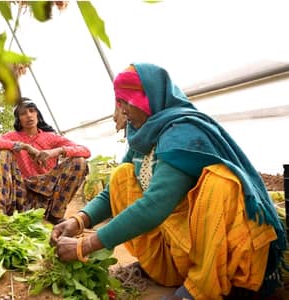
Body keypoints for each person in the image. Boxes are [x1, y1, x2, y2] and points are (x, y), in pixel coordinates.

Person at [50, 63, 287, 300]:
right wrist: (78, 220)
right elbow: (112, 192)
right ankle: (167, 271)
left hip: (219, 254)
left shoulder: (183, 132)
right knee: (123, 175)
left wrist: (86, 245)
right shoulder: (144, 135)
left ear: (146, 99)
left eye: (125, 101)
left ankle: (203, 288)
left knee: (220, 182)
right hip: (184, 245)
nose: (121, 111)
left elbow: (155, 205)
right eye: (118, 102)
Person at [0, 97, 90, 224]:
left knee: (80, 162)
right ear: (18, 119)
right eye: (23, 113)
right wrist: (24, 146)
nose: (29, 115)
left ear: (37, 114)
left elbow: (85, 150)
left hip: (47, 190)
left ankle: (55, 215)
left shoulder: (51, 137)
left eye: (32, 111)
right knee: (3, 152)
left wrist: (55, 151)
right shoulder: (12, 136)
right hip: (21, 192)